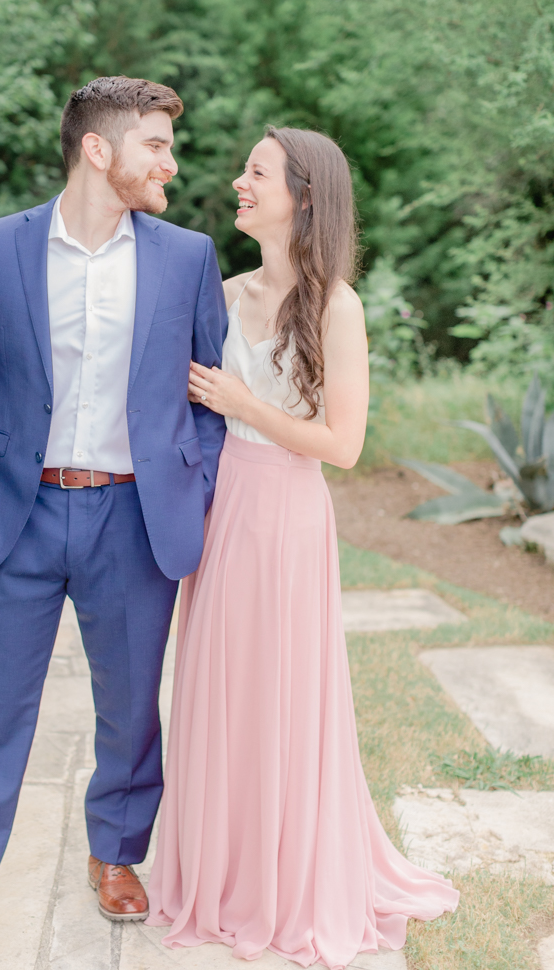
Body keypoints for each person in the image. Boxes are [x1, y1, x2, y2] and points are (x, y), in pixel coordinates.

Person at [0, 76, 227, 954]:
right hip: (19, 513)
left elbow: (209, 395)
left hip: (135, 519)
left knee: (130, 709)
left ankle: (117, 856)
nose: (170, 159)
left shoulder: (187, 256)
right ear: (98, 149)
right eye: (155, 144)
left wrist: (192, 488)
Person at [146, 126, 458, 967]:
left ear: (304, 194)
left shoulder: (336, 307)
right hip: (221, 514)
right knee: (218, 687)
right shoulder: (223, 289)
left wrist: (244, 405)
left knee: (281, 691)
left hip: (287, 518)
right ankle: (218, 870)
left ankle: (282, 879)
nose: (239, 182)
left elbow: (344, 445)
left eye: (257, 171)